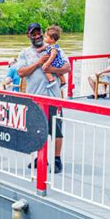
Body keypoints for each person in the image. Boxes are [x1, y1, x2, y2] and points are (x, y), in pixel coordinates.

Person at [16, 23, 71, 174]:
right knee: (37, 131)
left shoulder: (53, 48)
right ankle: (40, 158)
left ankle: (57, 159)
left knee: (56, 131)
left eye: (39, 32)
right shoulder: (25, 53)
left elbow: (67, 67)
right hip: (34, 100)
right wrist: (39, 63)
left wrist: (50, 69)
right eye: (33, 34)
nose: (37, 36)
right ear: (28, 36)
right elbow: (21, 72)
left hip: (53, 98)